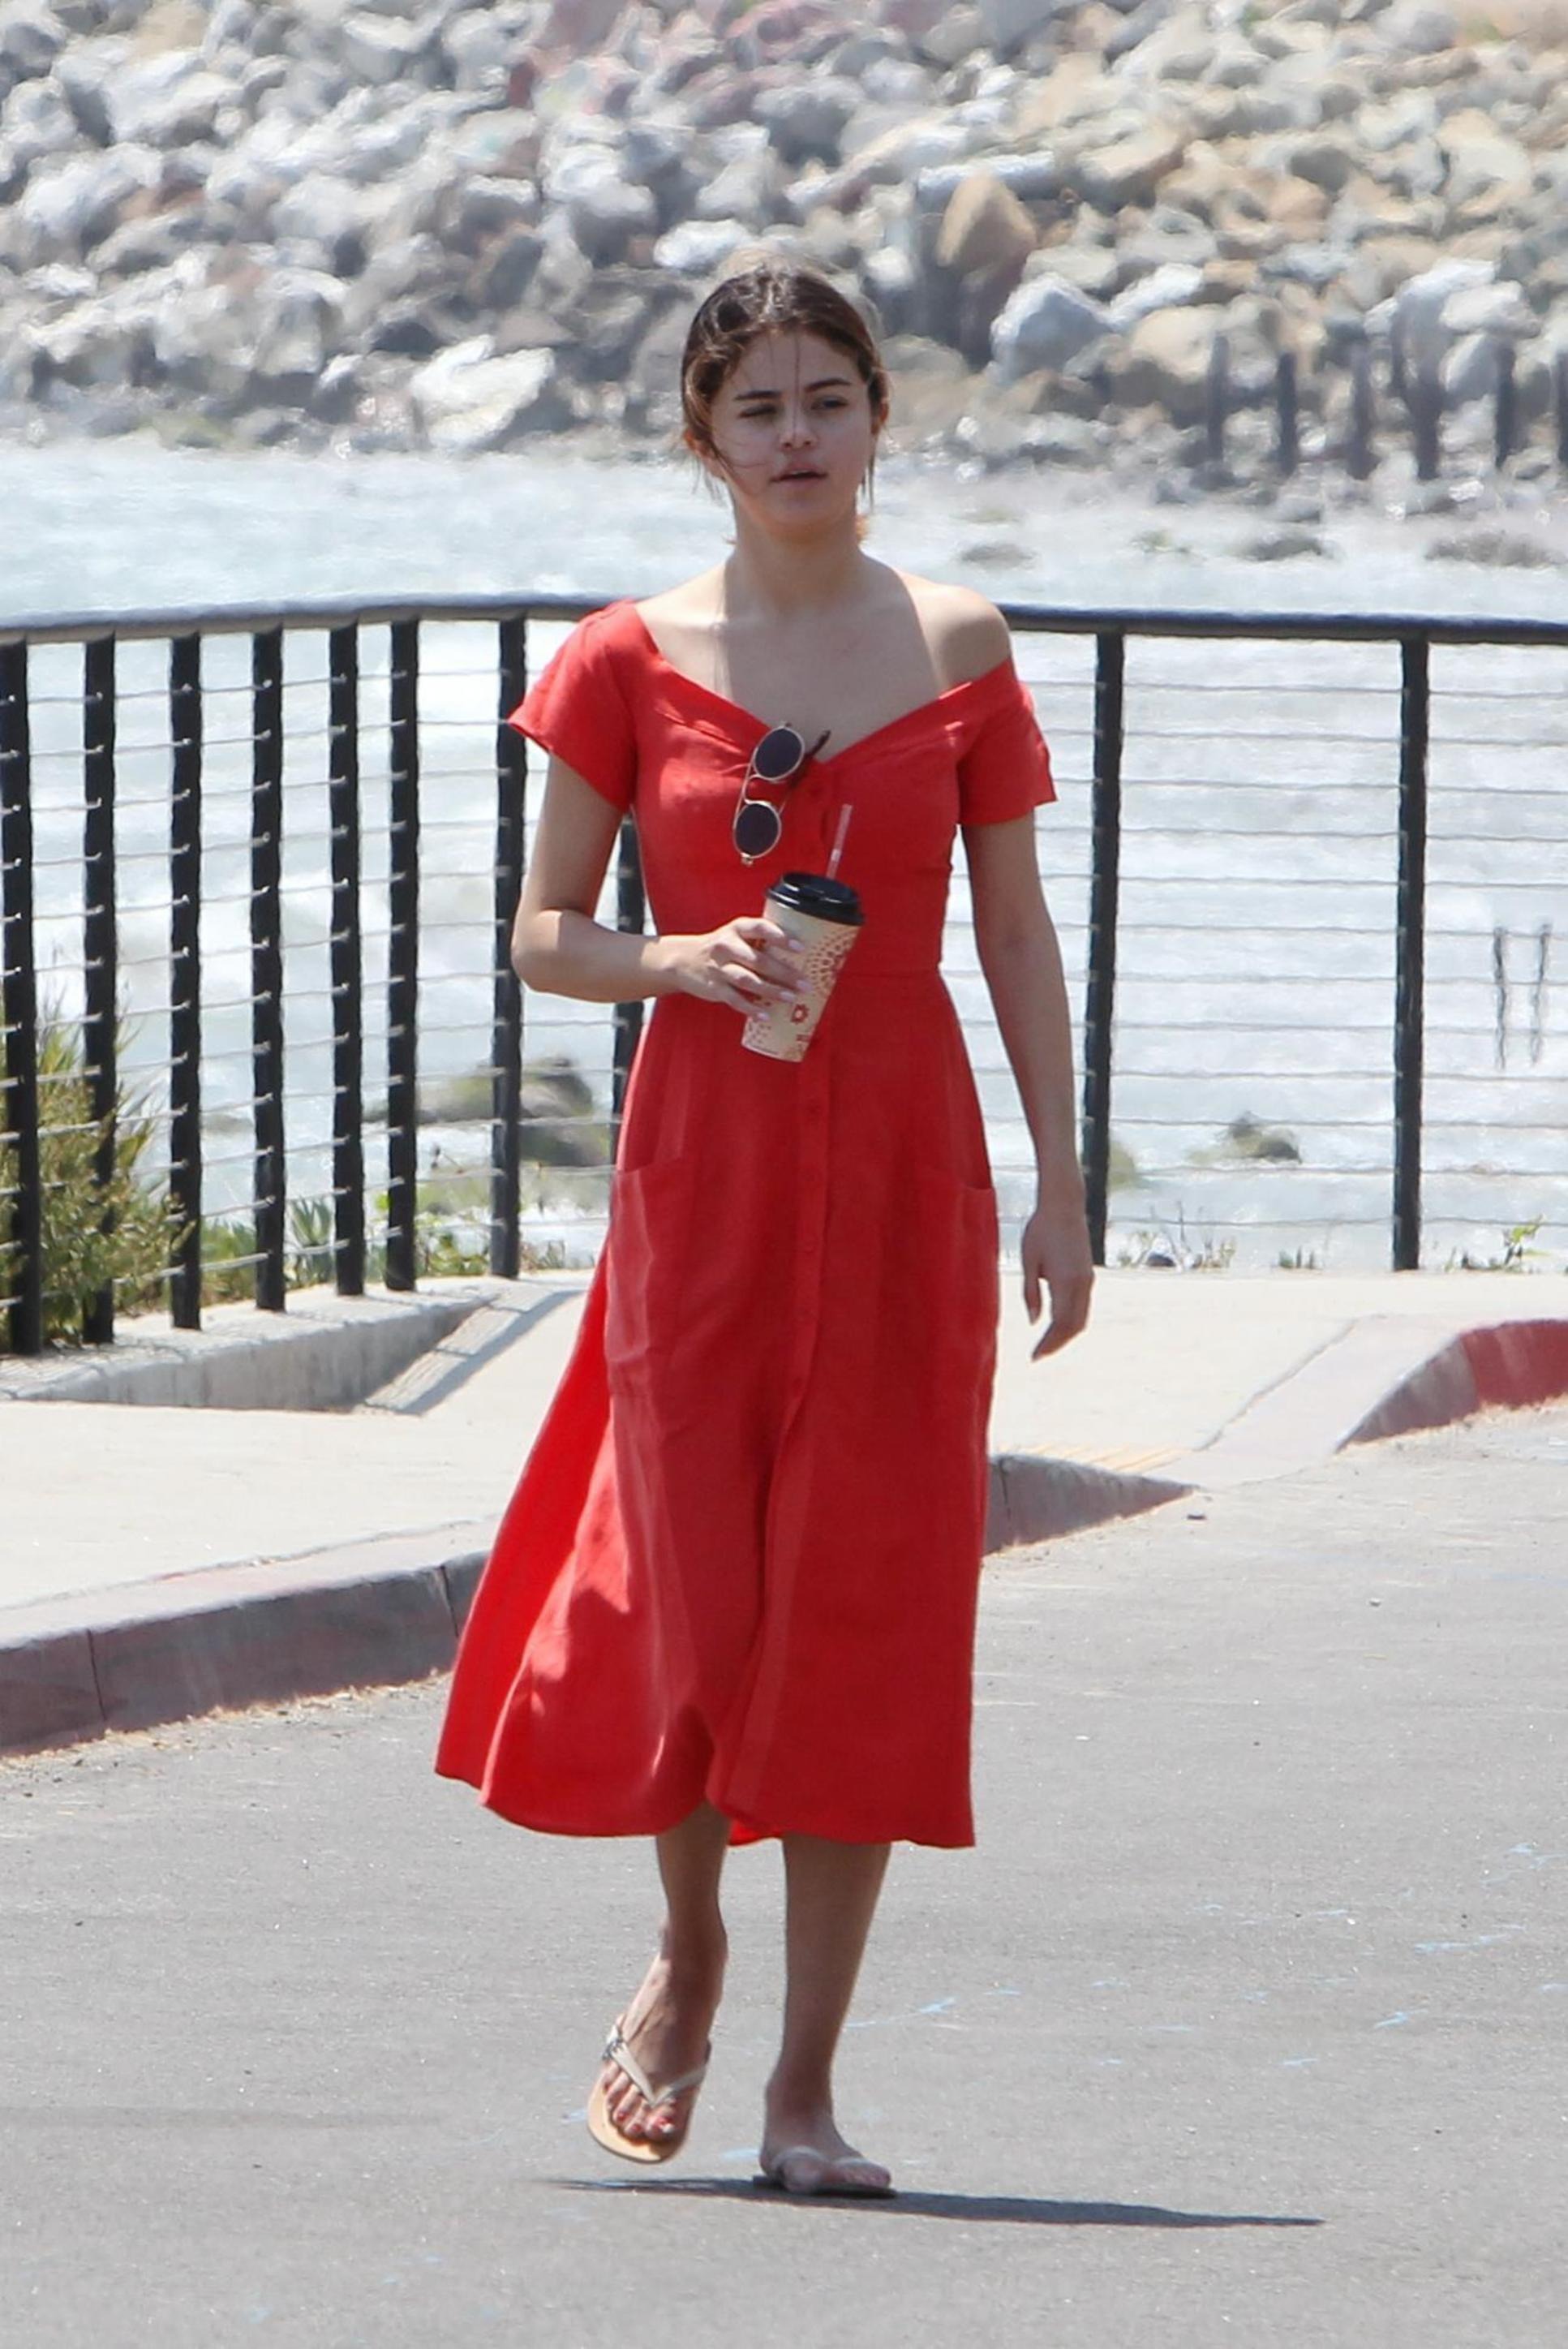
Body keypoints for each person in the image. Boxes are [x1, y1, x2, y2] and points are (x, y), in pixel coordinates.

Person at [436, 259, 1093, 2197]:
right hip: (704, 1161)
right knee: (696, 1587)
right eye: (758, 408)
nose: (797, 437)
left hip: (899, 1160)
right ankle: (691, 1948)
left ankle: (804, 2088)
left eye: (826, 399)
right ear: (702, 440)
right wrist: (675, 956)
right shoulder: (623, 657)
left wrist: (1063, 1183)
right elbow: (543, 934)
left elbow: (1012, 929)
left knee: (867, 1595)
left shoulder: (959, 641)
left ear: (878, 414)